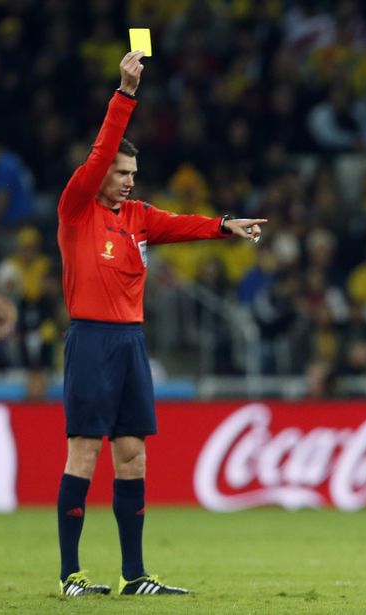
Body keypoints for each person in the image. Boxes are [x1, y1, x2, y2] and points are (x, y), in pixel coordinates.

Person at [55, 51, 267, 597]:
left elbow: (182, 224)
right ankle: (71, 575)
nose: (129, 181)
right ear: (100, 173)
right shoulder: (77, 208)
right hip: (91, 340)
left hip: (131, 342)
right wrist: (126, 92)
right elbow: (102, 147)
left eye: (133, 174)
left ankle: (134, 576)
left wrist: (225, 225)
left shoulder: (140, 218)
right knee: (85, 452)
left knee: (133, 455)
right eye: (121, 173)